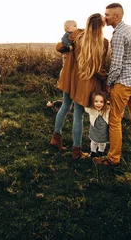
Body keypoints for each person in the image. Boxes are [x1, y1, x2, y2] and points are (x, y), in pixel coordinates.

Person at [94, 3, 131, 167]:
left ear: (116, 16)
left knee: (114, 121)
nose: (104, 17)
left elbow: (116, 64)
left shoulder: (118, 35)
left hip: (123, 83)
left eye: (107, 15)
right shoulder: (130, 29)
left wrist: (109, 83)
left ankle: (113, 158)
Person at [49, 13, 109, 160]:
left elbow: (60, 47)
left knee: (64, 106)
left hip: (70, 79)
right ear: (101, 27)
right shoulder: (103, 42)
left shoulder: (77, 36)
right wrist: (105, 80)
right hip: (84, 83)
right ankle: (76, 150)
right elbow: (99, 68)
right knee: (78, 116)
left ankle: (56, 138)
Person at [85, 90, 110, 158]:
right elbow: (85, 106)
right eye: (96, 101)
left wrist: (108, 102)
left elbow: (112, 107)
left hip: (103, 130)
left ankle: (100, 152)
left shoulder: (107, 109)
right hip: (95, 129)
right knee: (94, 141)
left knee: (102, 142)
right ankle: (93, 152)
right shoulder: (91, 109)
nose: (98, 104)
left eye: (101, 102)